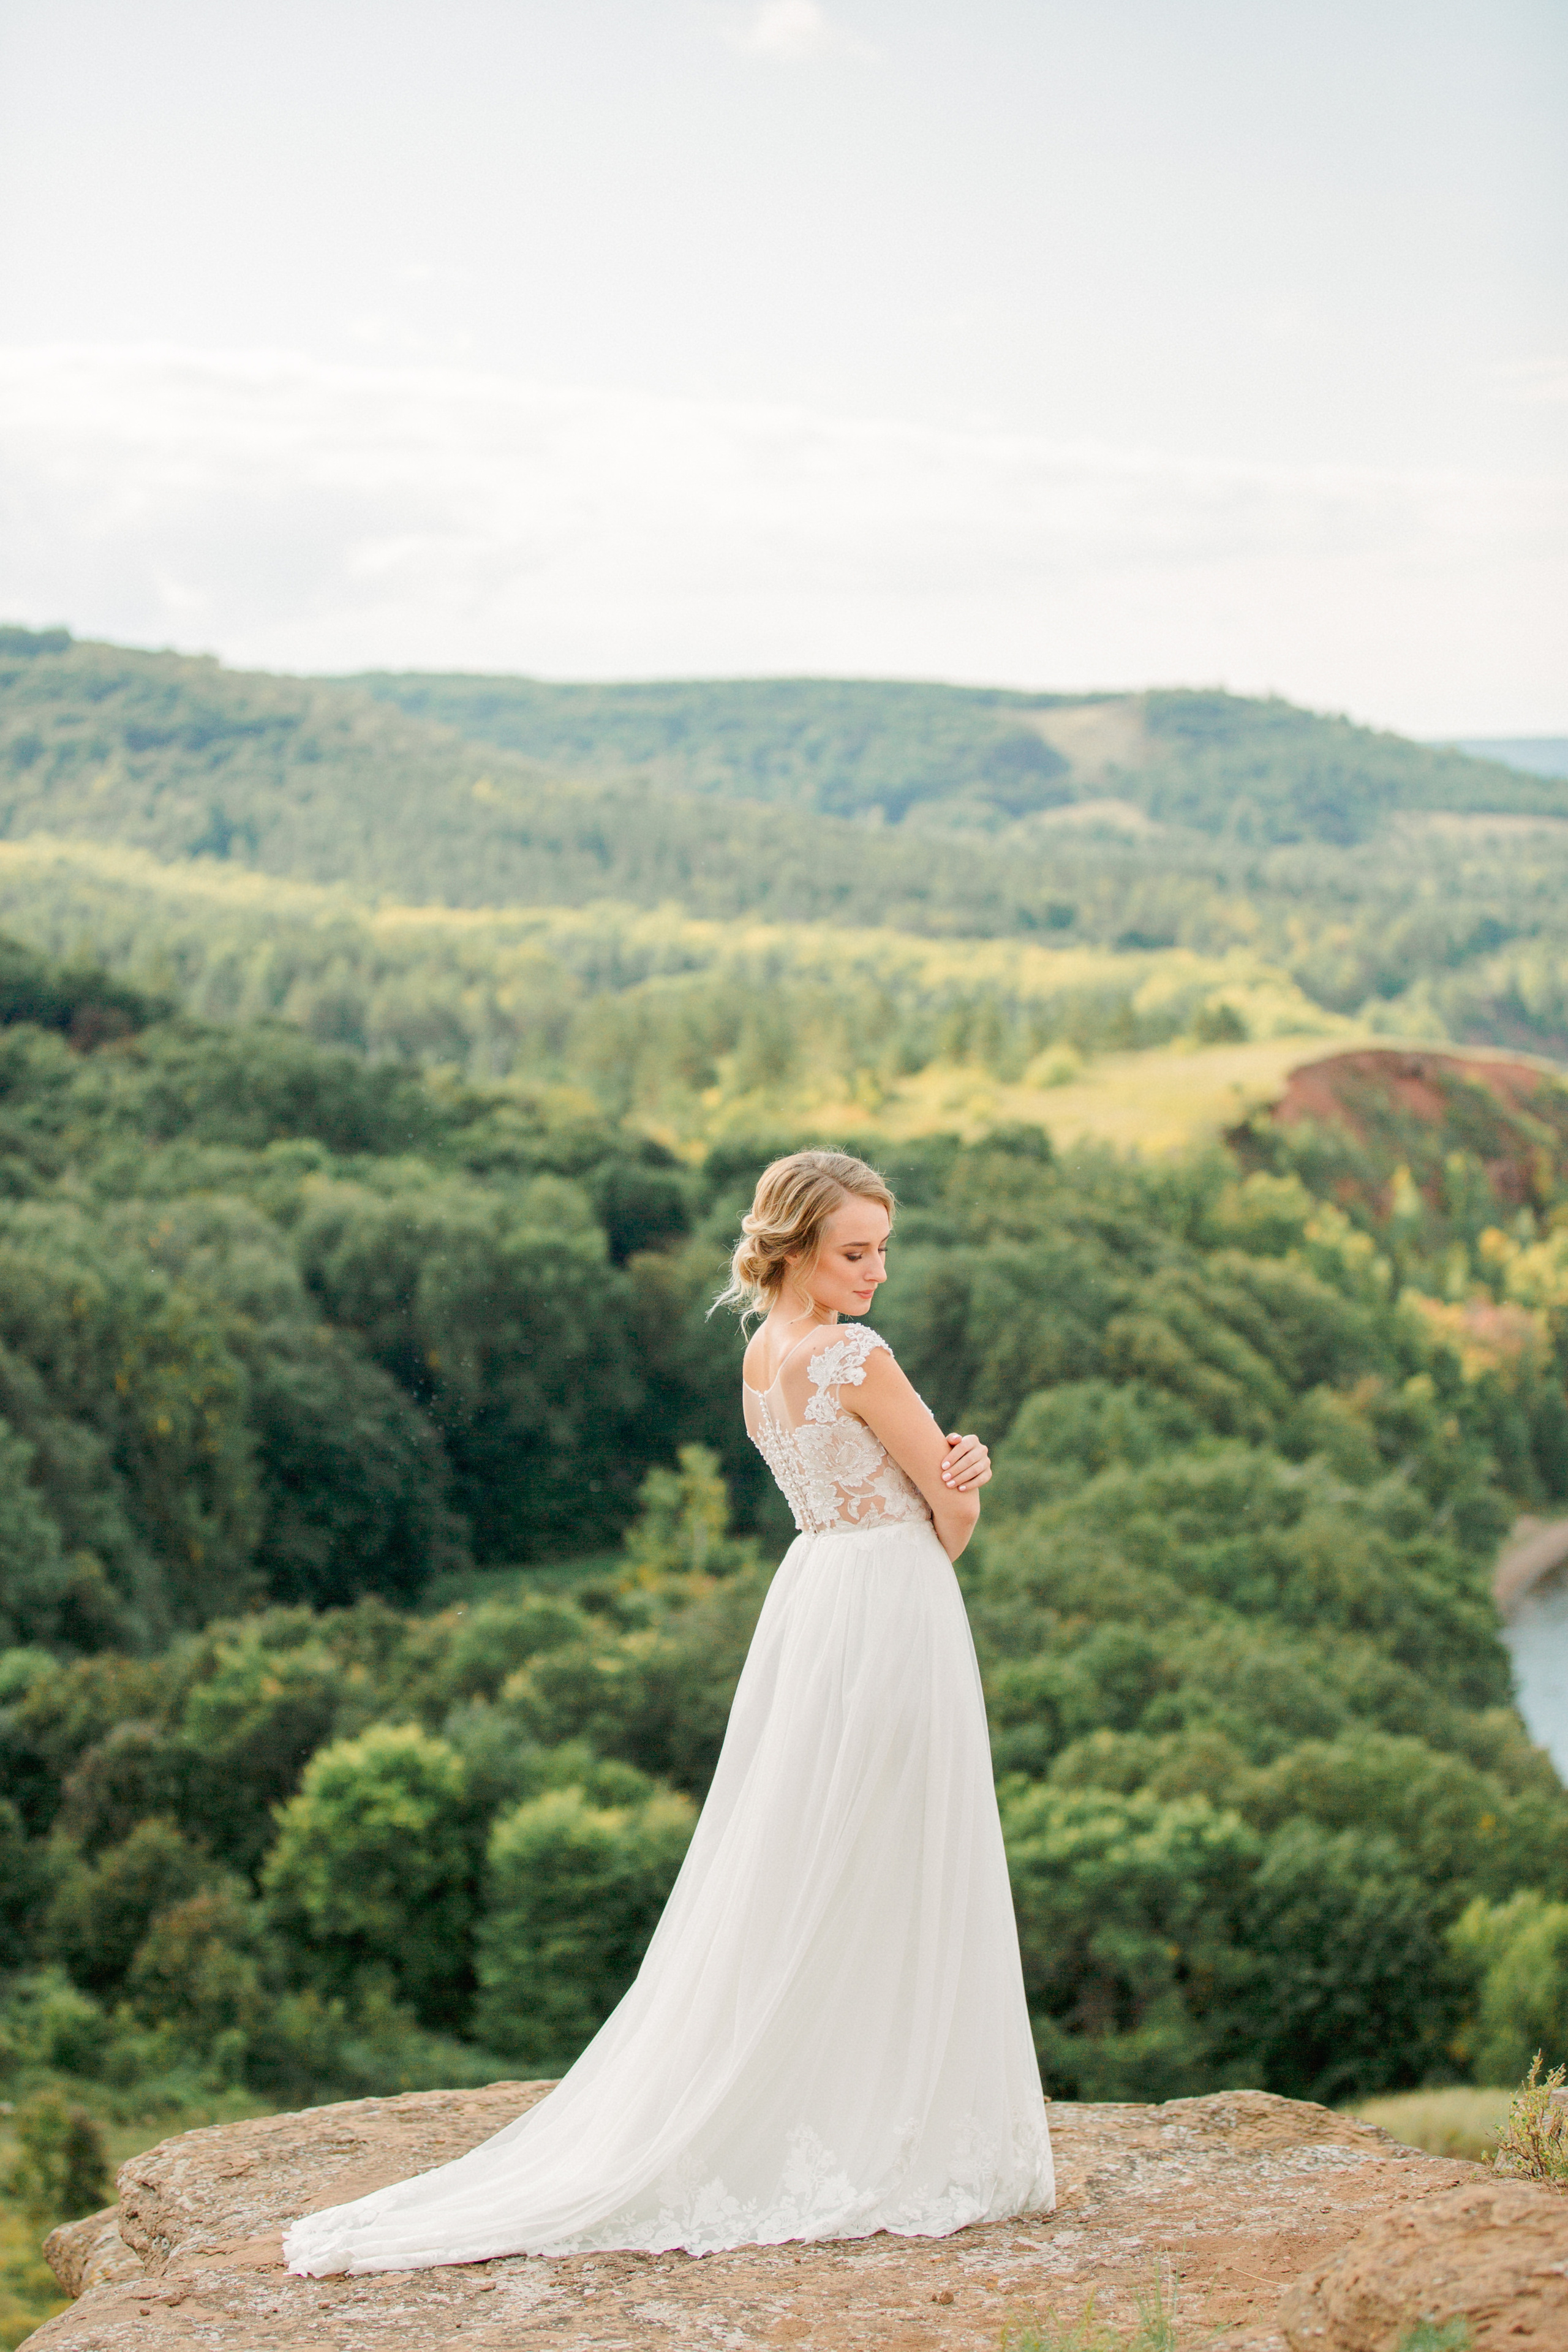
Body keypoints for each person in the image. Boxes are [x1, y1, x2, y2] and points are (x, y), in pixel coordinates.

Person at [283, 1148, 1054, 2275]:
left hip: (816, 1599)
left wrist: (938, 1483)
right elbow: (945, 1523)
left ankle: (835, 2097)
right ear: (794, 1247)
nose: (878, 1270)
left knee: (814, 1848)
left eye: (883, 1249)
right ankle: (892, 2112)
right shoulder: (856, 1353)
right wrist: (969, 1480)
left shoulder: (762, 1352)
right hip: (890, 1600)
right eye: (856, 1250)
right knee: (898, 1843)